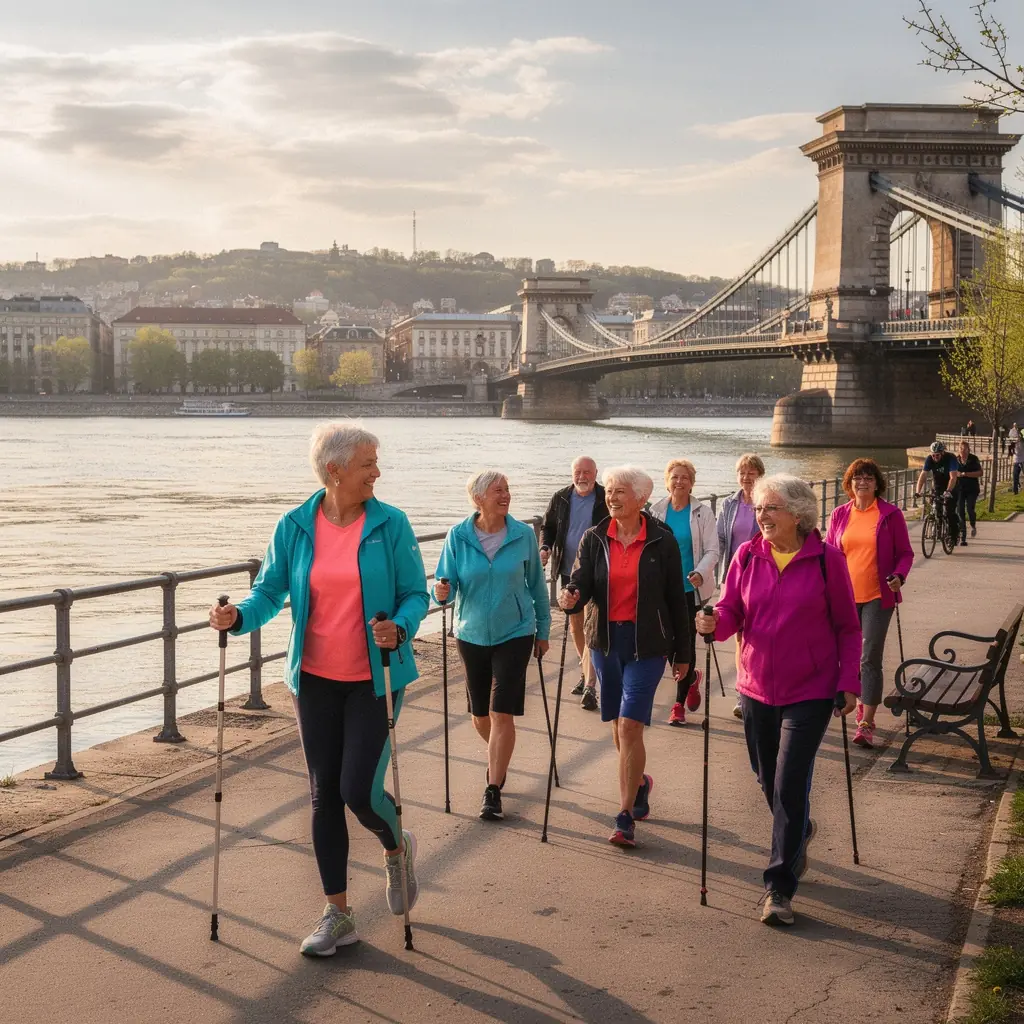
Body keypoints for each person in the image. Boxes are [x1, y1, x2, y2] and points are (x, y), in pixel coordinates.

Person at [208, 421, 429, 956]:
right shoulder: (294, 525)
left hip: (375, 678)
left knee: (359, 791)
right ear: (335, 471)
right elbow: (270, 591)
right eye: (368, 464)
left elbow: (416, 595)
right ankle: (339, 913)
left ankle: (396, 845)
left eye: (376, 463)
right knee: (322, 794)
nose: (377, 472)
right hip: (314, 680)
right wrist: (237, 616)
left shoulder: (391, 524)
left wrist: (399, 626)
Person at [695, 474, 861, 927]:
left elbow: (848, 628)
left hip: (810, 689)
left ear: (798, 515)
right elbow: (731, 609)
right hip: (755, 687)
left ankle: (778, 888)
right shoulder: (747, 556)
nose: (761, 516)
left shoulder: (827, 561)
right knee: (767, 776)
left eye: (770, 509)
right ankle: (799, 831)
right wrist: (714, 622)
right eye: (759, 508)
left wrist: (849, 683)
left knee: (789, 783)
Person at [557, 466, 689, 848]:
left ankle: (624, 815)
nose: (611, 498)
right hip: (606, 642)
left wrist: (684, 653)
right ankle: (640, 781)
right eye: (610, 492)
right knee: (617, 725)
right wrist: (571, 596)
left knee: (631, 726)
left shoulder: (662, 541)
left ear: (641, 498)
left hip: (647, 644)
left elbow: (676, 602)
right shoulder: (595, 537)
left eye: (618, 492)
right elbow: (580, 580)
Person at [434, 470, 551, 822]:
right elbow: (446, 585)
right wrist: (441, 594)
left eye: (507, 489)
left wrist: (543, 630)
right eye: (498, 490)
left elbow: (536, 586)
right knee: (480, 715)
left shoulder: (522, 535)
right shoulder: (458, 536)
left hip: (515, 632)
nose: (506, 495)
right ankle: (499, 757)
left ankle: (493, 788)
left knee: (502, 712)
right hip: (470, 635)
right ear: (478, 498)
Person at [826, 459, 914, 748]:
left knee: (869, 657)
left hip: (878, 596)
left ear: (877, 483)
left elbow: (905, 553)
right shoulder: (839, 514)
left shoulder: (890, 514)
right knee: (846, 656)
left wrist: (899, 576)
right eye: (856, 478)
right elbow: (829, 554)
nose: (862, 483)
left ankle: (866, 721)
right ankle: (853, 698)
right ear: (849, 484)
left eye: (867, 478)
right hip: (844, 598)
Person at [649, 459, 719, 726]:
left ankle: (677, 705)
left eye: (685, 478)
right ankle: (691, 679)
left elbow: (713, 550)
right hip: (661, 589)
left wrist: (700, 572)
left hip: (690, 589)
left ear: (692, 482)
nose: (679, 482)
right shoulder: (655, 512)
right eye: (675, 477)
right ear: (667, 480)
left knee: (685, 643)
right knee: (666, 645)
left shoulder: (702, 513)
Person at [539, 456, 609, 711]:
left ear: (595, 473)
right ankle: (584, 670)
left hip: (596, 572)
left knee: (592, 623)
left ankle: (590, 684)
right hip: (568, 571)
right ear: (572, 474)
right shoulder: (561, 497)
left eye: (587, 472)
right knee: (576, 624)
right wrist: (545, 547)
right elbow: (548, 527)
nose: (582, 477)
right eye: (578, 472)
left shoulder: (605, 497)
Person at [715, 453, 766, 719]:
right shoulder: (729, 503)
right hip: (735, 578)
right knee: (739, 638)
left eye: (751, 473)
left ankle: (760, 688)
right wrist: (714, 574)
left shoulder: (768, 502)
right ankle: (742, 692)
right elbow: (721, 540)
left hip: (762, 577)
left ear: (760, 476)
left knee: (758, 636)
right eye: (742, 473)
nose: (746, 478)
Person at [916, 440, 960, 538]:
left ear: (942, 453)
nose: (935, 458)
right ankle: (937, 528)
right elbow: (923, 475)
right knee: (936, 508)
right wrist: (918, 491)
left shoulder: (951, 458)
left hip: (951, 486)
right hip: (938, 486)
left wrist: (948, 491)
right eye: (933, 455)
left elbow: (953, 477)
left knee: (949, 511)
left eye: (938, 455)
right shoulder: (929, 459)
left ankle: (954, 535)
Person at [954, 440, 983, 544]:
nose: (963, 451)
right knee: (960, 511)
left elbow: (980, 473)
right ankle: (963, 537)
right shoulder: (956, 460)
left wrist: (965, 474)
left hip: (972, 489)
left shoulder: (973, 459)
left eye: (965, 449)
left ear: (968, 450)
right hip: (960, 489)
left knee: (970, 509)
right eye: (961, 449)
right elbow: (952, 473)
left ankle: (973, 524)